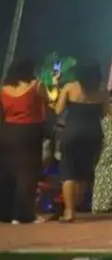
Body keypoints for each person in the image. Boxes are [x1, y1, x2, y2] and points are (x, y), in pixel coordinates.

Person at [52, 60, 108, 223]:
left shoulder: (70, 87)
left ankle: (69, 211)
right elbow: (105, 114)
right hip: (93, 133)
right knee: (84, 173)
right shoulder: (102, 89)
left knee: (68, 171)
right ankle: (74, 205)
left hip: (72, 131)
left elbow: (58, 110)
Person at [1, 58, 49, 223]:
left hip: (7, 132)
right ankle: (24, 215)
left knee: (7, 172)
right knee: (27, 173)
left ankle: (5, 213)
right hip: (29, 132)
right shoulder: (36, 86)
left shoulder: (3, 89)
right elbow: (48, 103)